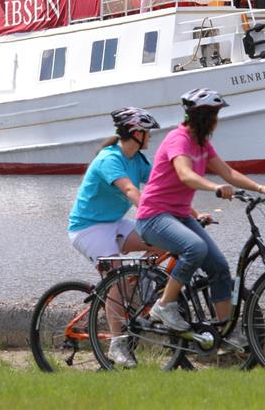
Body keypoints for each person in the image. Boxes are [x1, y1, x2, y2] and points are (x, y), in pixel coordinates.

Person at [135, 89, 265, 340]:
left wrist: (259, 187)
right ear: (203, 117)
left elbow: (228, 173)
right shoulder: (178, 139)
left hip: (179, 215)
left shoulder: (202, 144)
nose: (217, 121)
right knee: (195, 248)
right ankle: (164, 305)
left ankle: (225, 332)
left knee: (220, 268)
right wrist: (214, 188)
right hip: (154, 217)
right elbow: (185, 174)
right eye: (215, 115)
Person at [67, 107, 162, 367]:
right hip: (88, 228)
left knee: (163, 241)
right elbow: (130, 190)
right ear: (135, 133)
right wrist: (152, 211)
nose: (150, 137)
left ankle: (138, 289)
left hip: (115, 222)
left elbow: (160, 185)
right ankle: (117, 346)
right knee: (116, 280)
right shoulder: (109, 159)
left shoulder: (138, 160)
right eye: (147, 132)